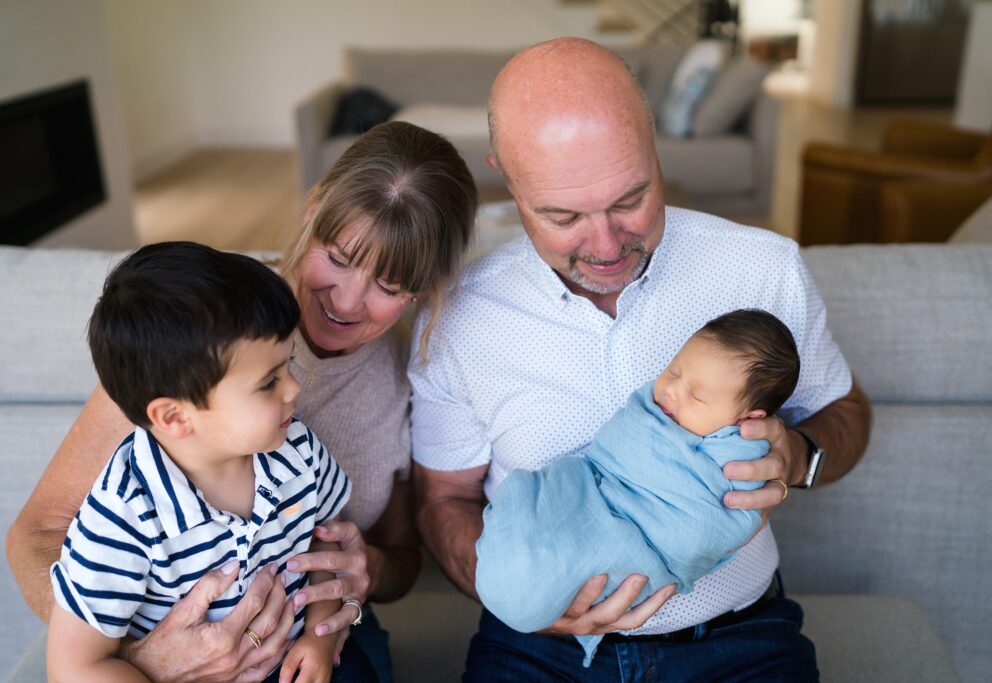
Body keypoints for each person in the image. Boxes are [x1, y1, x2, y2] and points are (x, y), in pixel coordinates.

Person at [410, 38, 872, 681]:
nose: (605, 246)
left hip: (739, 638)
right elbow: (443, 502)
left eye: (630, 199)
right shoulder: (459, 315)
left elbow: (844, 409)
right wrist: (534, 603)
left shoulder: (762, 268)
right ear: (506, 177)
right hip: (538, 648)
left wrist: (799, 455)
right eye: (562, 215)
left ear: (655, 145)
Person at [7, 120, 477, 683]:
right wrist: (147, 658)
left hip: (315, 642)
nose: (349, 302)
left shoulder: (409, 374)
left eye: (391, 287)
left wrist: (361, 573)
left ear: (423, 291)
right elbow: (37, 535)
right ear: (313, 211)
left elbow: (399, 555)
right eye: (339, 257)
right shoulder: (199, 326)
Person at [49, 242, 351, 683]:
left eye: (288, 365)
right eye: (268, 382)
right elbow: (74, 667)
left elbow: (326, 541)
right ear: (175, 417)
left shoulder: (297, 449)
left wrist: (321, 638)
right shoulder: (124, 515)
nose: (293, 390)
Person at [475, 309, 800, 665]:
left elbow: (707, 530)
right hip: (548, 634)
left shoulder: (739, 452)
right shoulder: (654, 408)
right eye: (673, 370)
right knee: (542, 514)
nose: (672, 390)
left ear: (749, 418)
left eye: (698, 395)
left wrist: (798, 455)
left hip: (735, 629)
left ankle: (532, 579)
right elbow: (613, 449)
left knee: (554, 571)